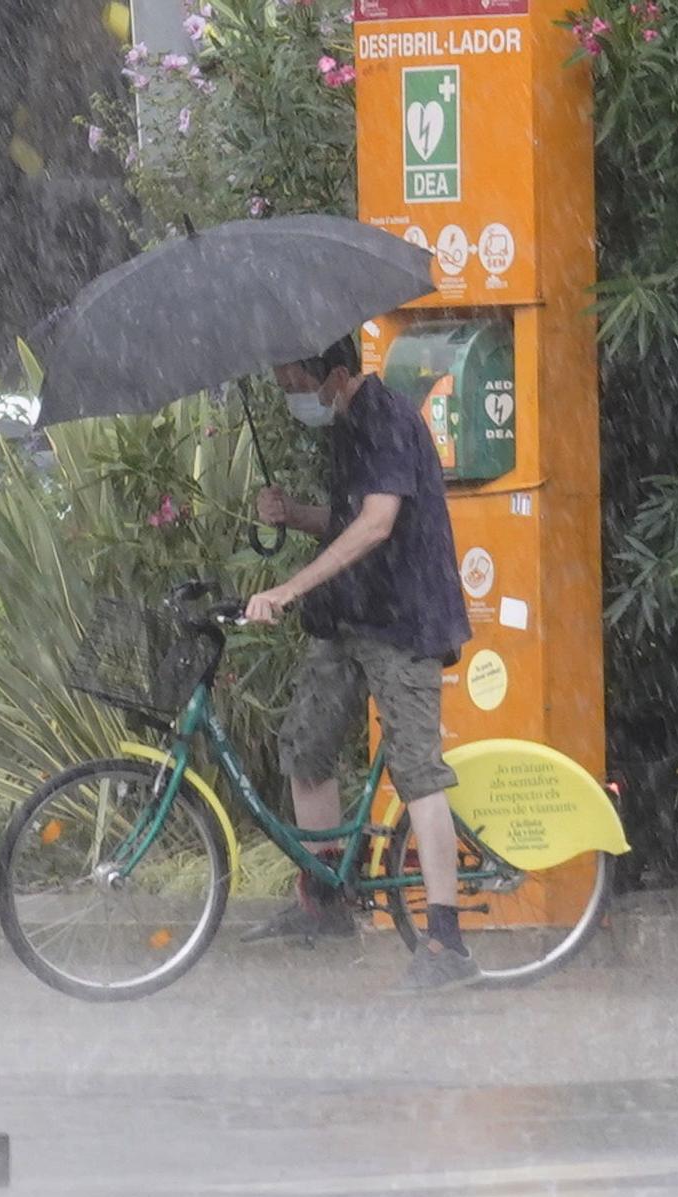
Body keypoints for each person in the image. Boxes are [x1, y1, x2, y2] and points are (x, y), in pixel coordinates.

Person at [238, 334, 477, 992]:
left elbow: (376, 524)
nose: (289, 393)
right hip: (347, 616)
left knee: (418, 771)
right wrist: (295, 514)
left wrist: (290, 588)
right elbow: (346, 520)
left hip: (401, 619)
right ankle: (324, 898)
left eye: (292, 379)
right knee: (305, 746)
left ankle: (446, 942)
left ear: (334, 375)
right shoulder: (345, 427)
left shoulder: (388, 419)